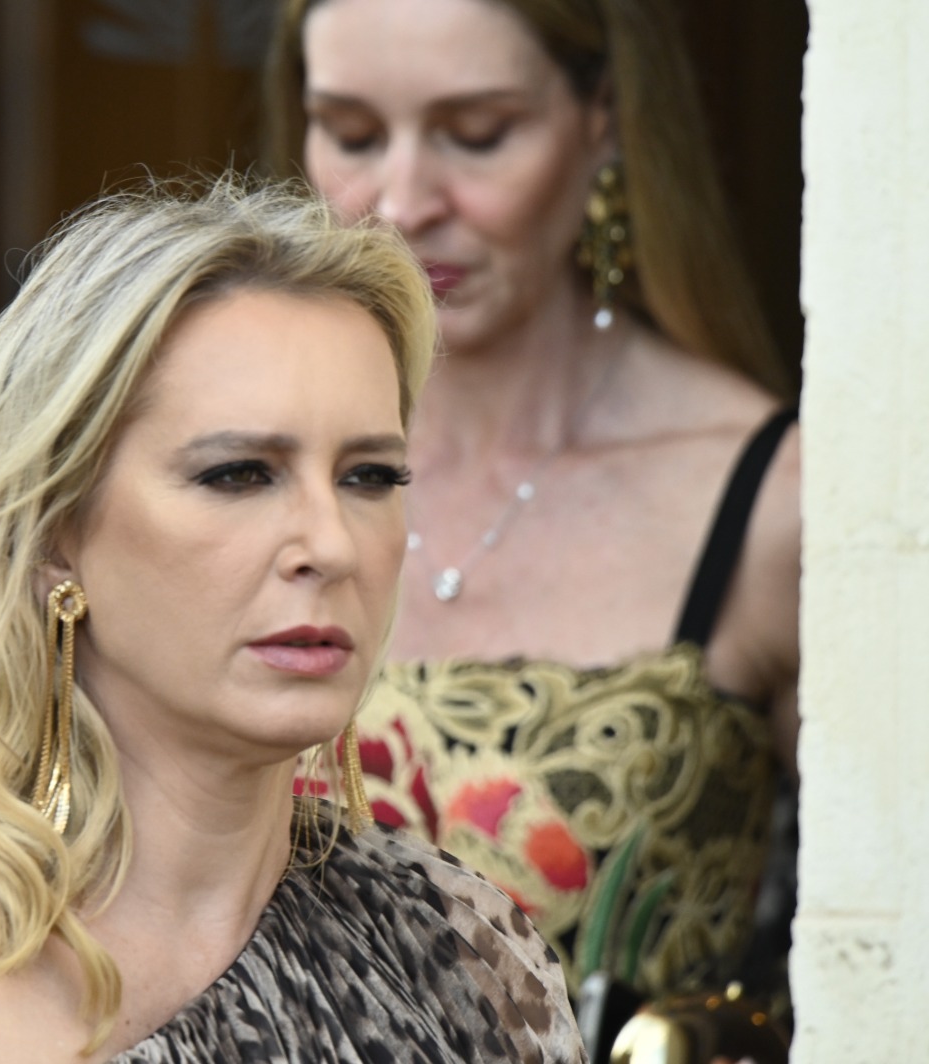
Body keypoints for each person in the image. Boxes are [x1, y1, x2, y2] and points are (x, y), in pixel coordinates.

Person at [0, 178, 587, 1063]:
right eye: (238, 474)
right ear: (54, 533)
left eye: (370, 477)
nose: (330, 543)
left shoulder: (461, 954)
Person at [267, 0, 801, 1046]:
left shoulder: (768, 496)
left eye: (477, 135)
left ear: (604, 119)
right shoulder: (215, 464)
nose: (402, 203)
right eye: (352, 133)